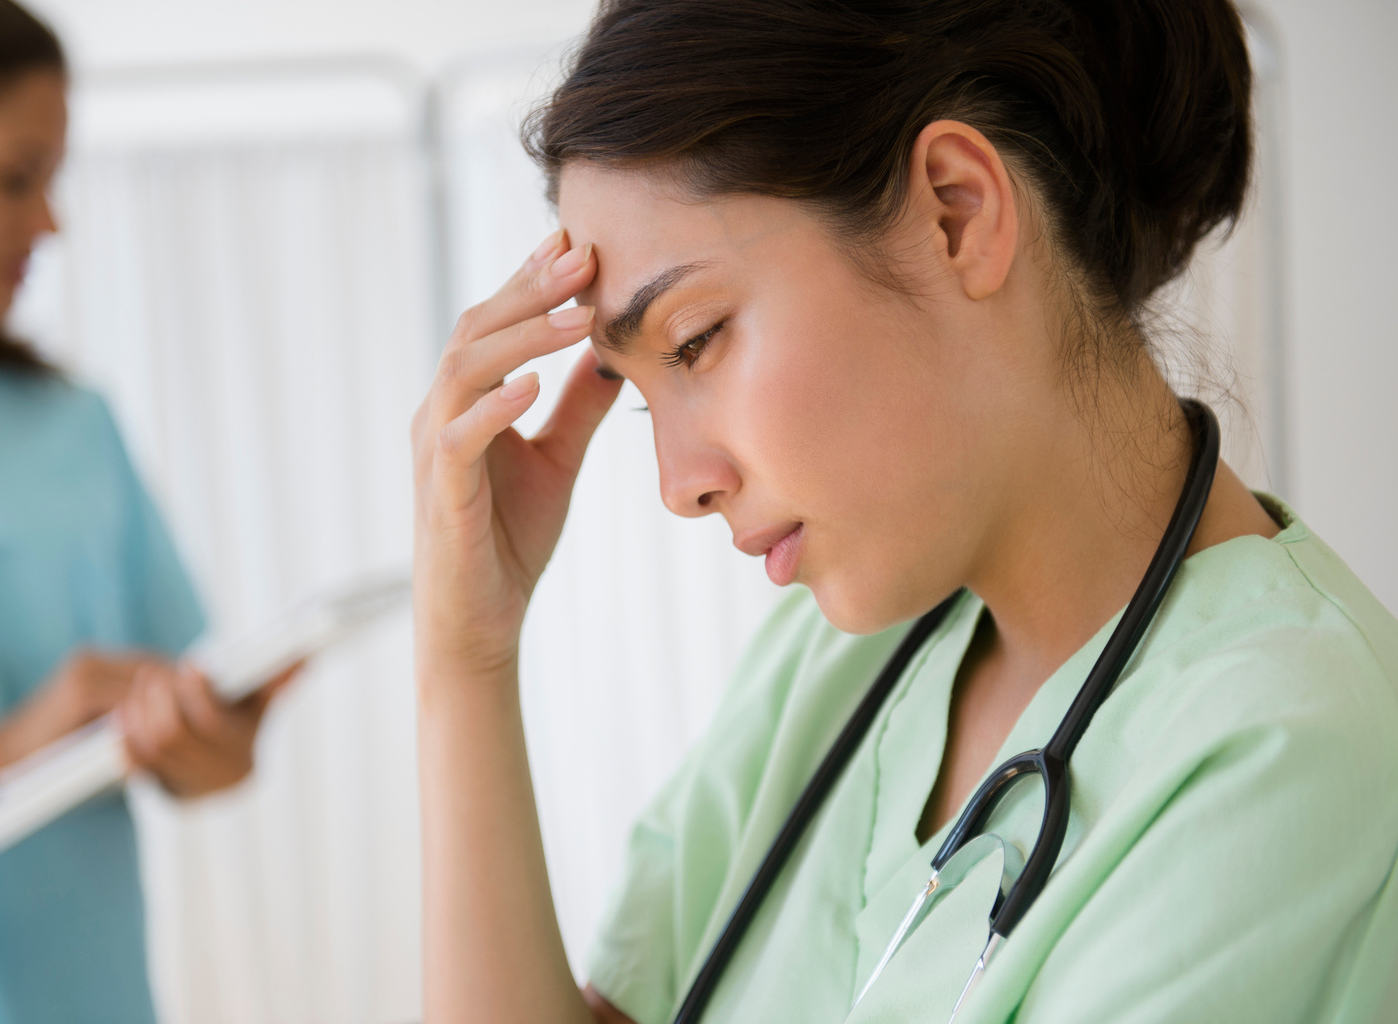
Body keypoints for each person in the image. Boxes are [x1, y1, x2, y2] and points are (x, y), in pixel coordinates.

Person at [410, 0, 1398, 1022]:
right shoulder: (838, 661)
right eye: (640, 396)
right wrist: (464, 656)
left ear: (955, 214)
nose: (679, 483)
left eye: (697, 339)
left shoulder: (1286, 754)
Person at [0, 2, 290, 1021]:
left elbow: (187, 751)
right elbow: (23, 740)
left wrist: (204, 747)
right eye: (15, 177)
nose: (49, 223)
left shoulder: (70, 427)